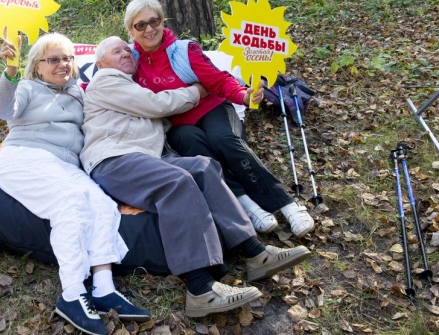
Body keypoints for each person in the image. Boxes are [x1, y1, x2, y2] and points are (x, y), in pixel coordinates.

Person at [80, 36, 311, 318]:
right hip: (114, 159)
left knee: (203, 167)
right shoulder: (105, 81)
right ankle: (200, 288)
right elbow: (155, 104)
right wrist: (196, 92)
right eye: (118, 51)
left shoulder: (130, 84)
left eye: (128, 50)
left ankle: (255, 252)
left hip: (147, 157)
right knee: (177, 182)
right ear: (101, 62)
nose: (127, 54)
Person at [0, 33, 150, 335]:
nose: (62, 64)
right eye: (53, 59)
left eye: (67, 58)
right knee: (71, 203)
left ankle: (103, 289)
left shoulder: (80, 92)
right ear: (38, 66)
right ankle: (72, 293)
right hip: (26, 158)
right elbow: (2, 110)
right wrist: (10, 71)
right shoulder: (27, 88)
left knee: (103, 206)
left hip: (66, 167)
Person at [124, 0, 315, 237]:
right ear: (130, 30)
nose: (149, 29)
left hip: (211, 107)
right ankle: (245, 203)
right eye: (140, 25)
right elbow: (111, 82)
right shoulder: (130, 61)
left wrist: (244, 96)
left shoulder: (184, 50)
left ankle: (286, 204)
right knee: (197, 151)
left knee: (223, 140)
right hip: (177, 123)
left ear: (163, 21)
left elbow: (219, 80)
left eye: (154, 21)